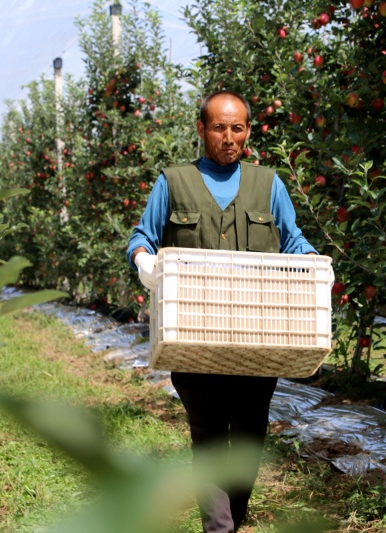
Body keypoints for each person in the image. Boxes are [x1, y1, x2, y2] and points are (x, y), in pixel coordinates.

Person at [127, 90, 317, 533]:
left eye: (237, 128)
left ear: (248, 131)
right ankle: (220, 528)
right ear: (201, 130)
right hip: (193, 339)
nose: (228, 137)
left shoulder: (268, 183)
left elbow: (293, 240)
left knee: (250, 436)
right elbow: (142, 236)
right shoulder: (173, 182)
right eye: (218, 127)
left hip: (257, 338)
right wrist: (145, 263)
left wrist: (317, 267)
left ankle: (234, 517)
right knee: (209, 437)